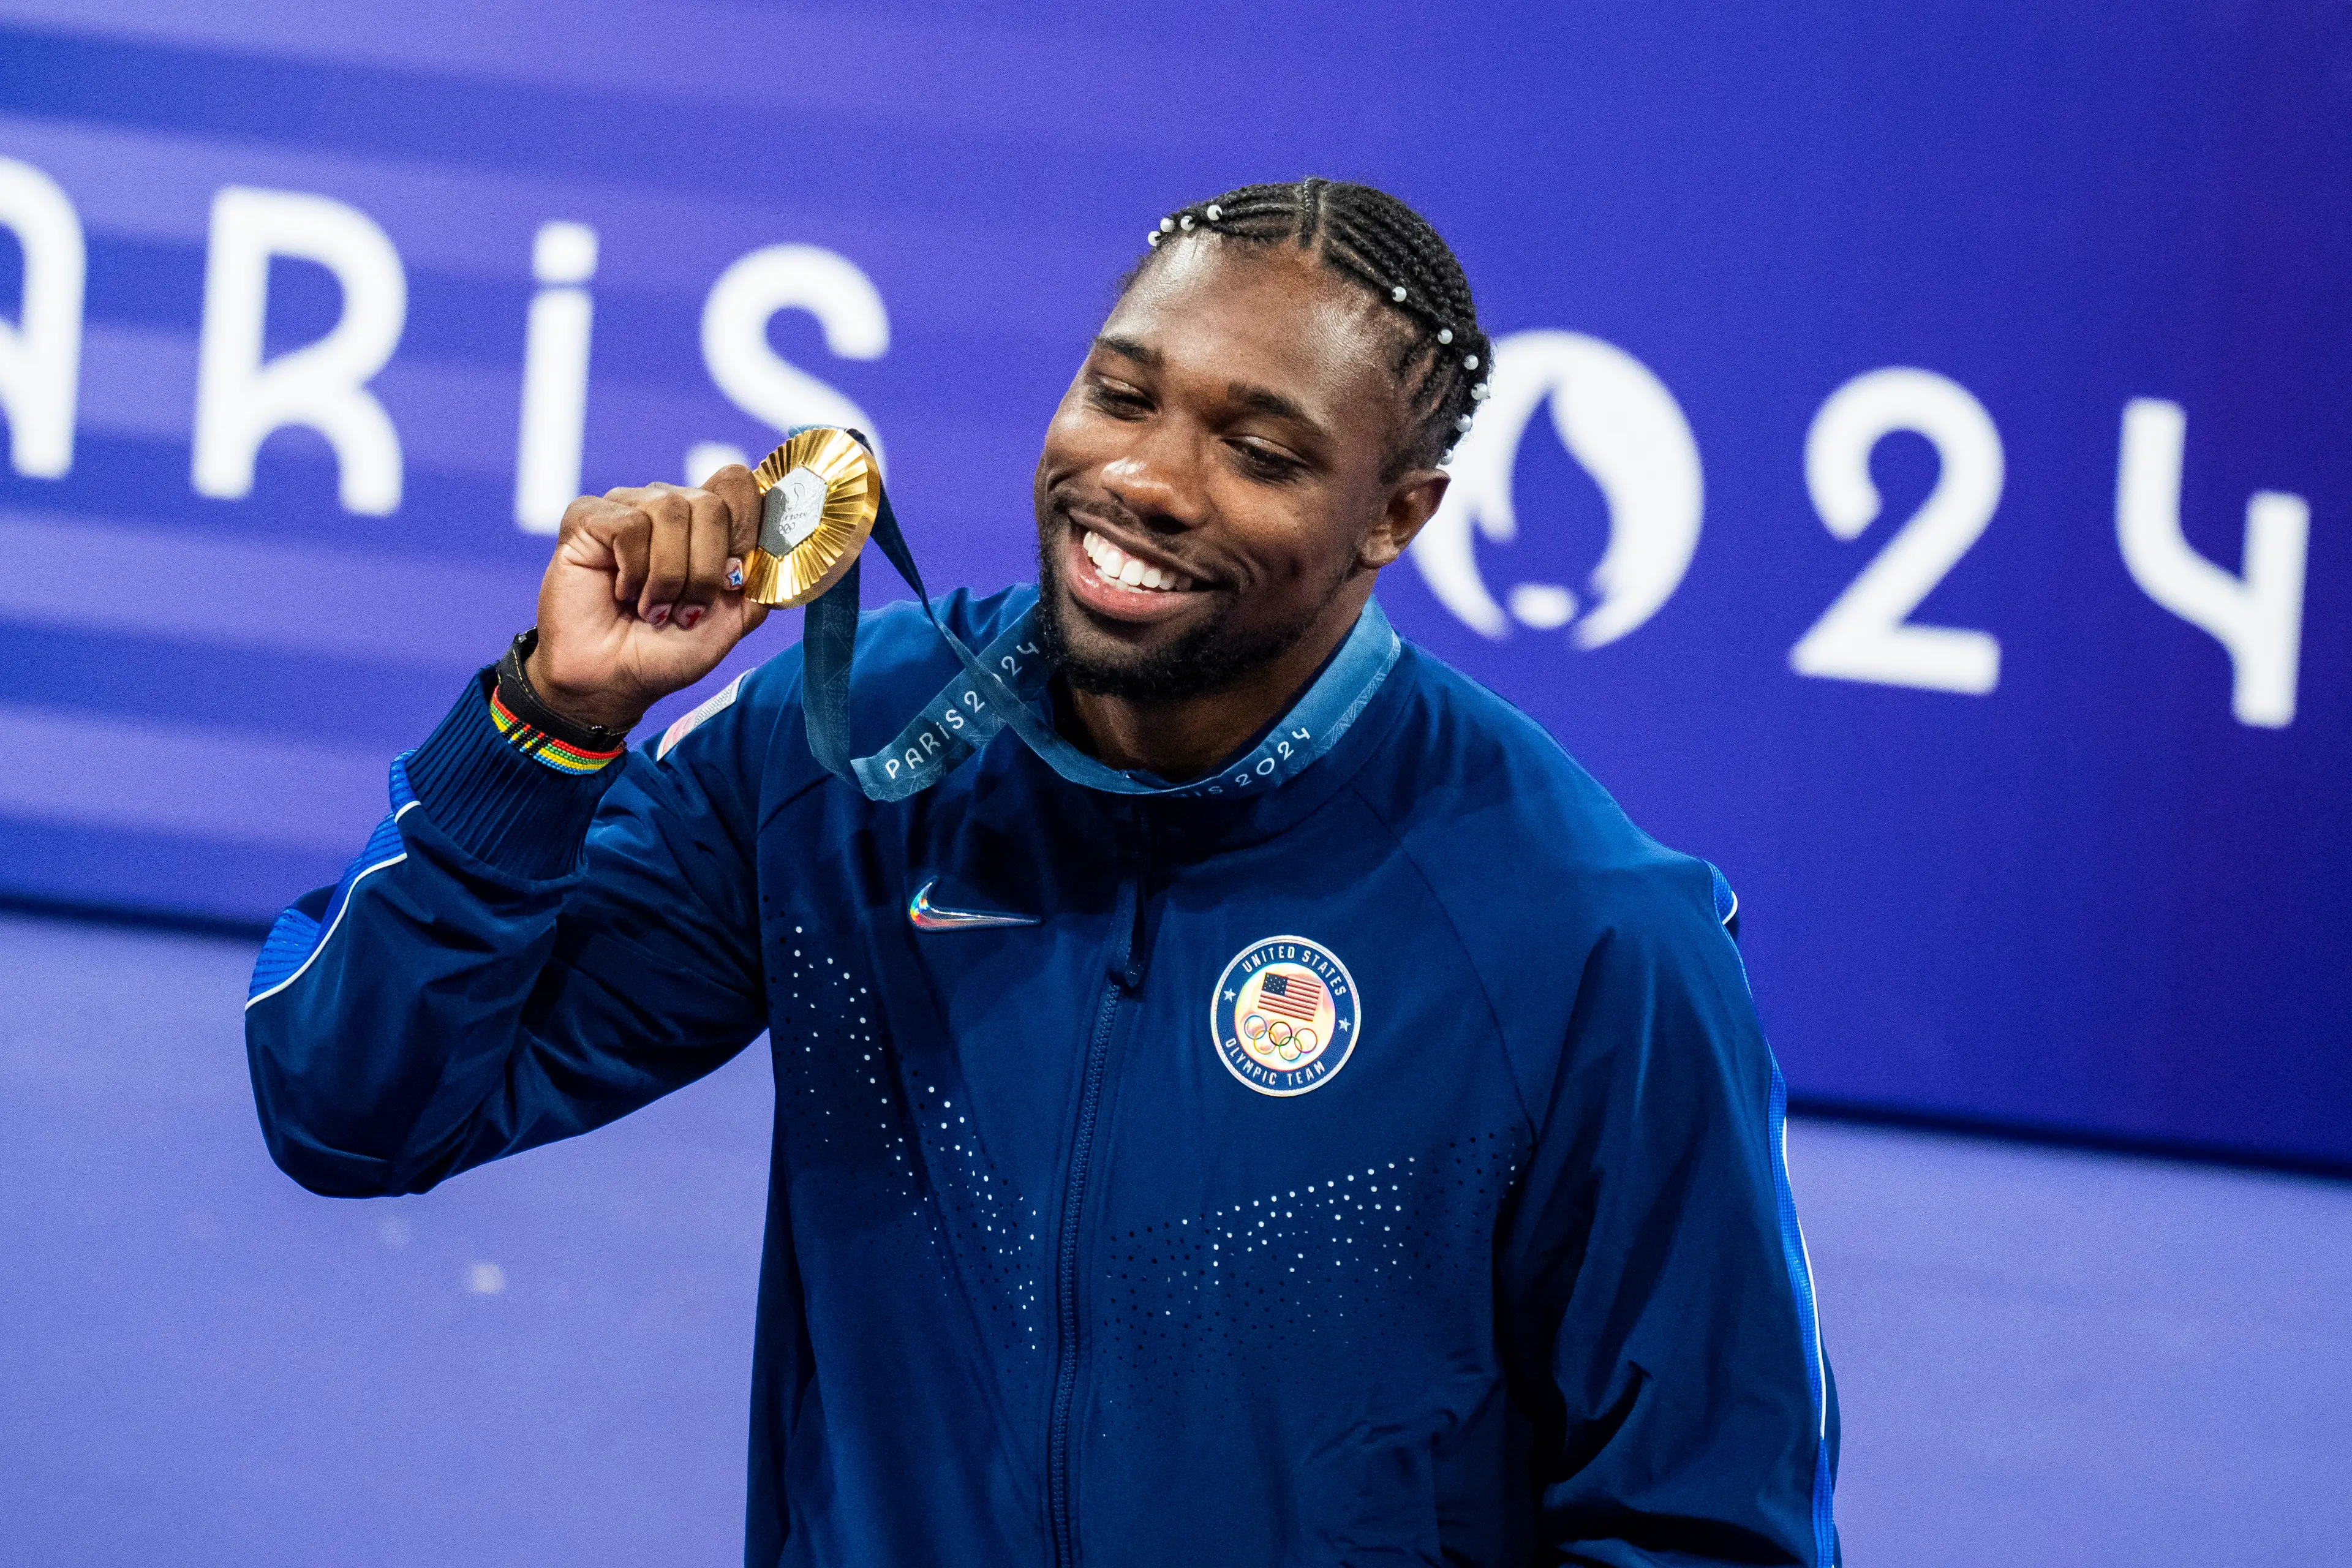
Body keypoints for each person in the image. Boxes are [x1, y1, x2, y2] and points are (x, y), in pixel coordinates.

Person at [245, 178, 1838, 1567]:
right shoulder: (837, 764)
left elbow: (1705, 1527)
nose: (1146, 477)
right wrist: (551, 723)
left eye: (1261, 449)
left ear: (1393, 519)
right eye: (1121, 394)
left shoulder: (1585, 936)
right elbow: (358, 1106)